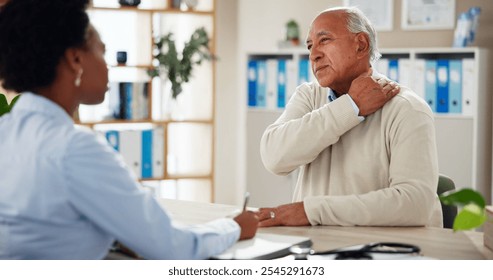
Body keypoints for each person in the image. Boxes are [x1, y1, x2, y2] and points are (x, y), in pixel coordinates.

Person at [0, 0, 258, 260]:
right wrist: (234, 226)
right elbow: (173, 247)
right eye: (102, 52)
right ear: (75, 59)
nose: (108, 66)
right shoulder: (74, 148)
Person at [257, 7, 442, 228]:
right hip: (317, 247)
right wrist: (350, 107)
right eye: (309, 46)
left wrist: (313, 212)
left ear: (361, 45)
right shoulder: (308, 95)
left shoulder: (407, 108)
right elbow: (274, 157)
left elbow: (415, 205)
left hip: (381, 251)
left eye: (324, 40)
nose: (313, 54)